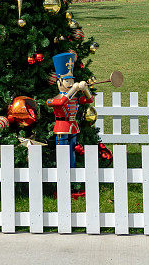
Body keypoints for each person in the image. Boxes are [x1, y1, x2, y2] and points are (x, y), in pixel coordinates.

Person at [47, 50, 94, 198]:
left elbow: (89, 101)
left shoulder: (73, 98)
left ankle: (71, 187)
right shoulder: (55, 98)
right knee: (63, 158)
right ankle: (61, 188)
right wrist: (74, 89)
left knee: (72, 157)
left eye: (72, 81)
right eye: (67, 81)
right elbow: (61, 102)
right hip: (61, 129)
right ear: (59, 82)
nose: (71, 84)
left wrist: (85, 89)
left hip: (73, 128)